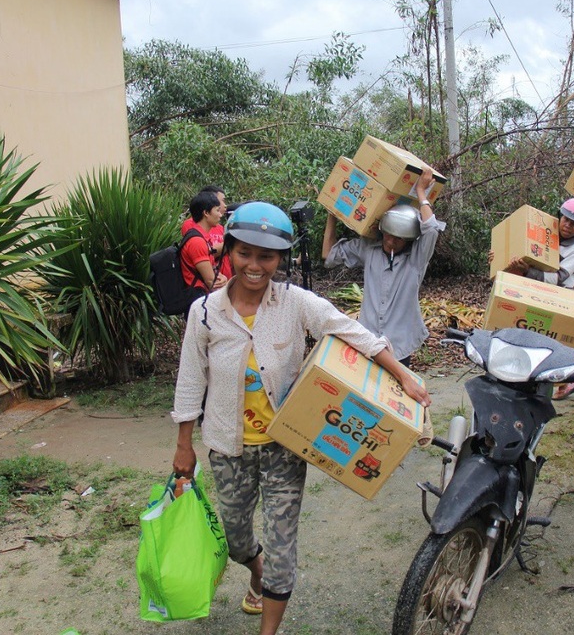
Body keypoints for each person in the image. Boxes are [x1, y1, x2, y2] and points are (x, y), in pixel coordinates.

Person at [170, 202, 430, 635]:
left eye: (266, 256)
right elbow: (190, 380)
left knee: (281, 546)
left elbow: (350, 331)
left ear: (280, 260)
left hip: (282, 449)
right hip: (227, 446)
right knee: (237, 540)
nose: (255, 265)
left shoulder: (295, 303)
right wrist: (183, 446)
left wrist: (402, 374)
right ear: (229, 251)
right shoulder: (205, 313)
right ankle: (255, 572)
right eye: (245, 253)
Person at [322, 168, 445, 365]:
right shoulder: (369, 250)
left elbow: (431, 229)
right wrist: (332, 215)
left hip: (399, 344)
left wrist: (421, 192)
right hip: (367, 340)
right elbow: (328, 255)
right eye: (388, 235)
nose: (391, 241)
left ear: (409, 240)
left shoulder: (415, 260)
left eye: (398, 238)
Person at [487, 197, 574, 399]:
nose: (567, 225)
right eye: (565, 219)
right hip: (530, 290)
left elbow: (559, 278)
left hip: (555, 297)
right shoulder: (542, 233)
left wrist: (527, 271)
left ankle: (557, 385)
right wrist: (497, 257)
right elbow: (511, 249)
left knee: (549, 343)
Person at [180, 190, 229, 292]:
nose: (220, 215)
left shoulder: (202, 237)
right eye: (217, 210)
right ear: (206, 213)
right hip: (200, 299)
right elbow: (212, 282)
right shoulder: (197, 241)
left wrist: (223, 278)